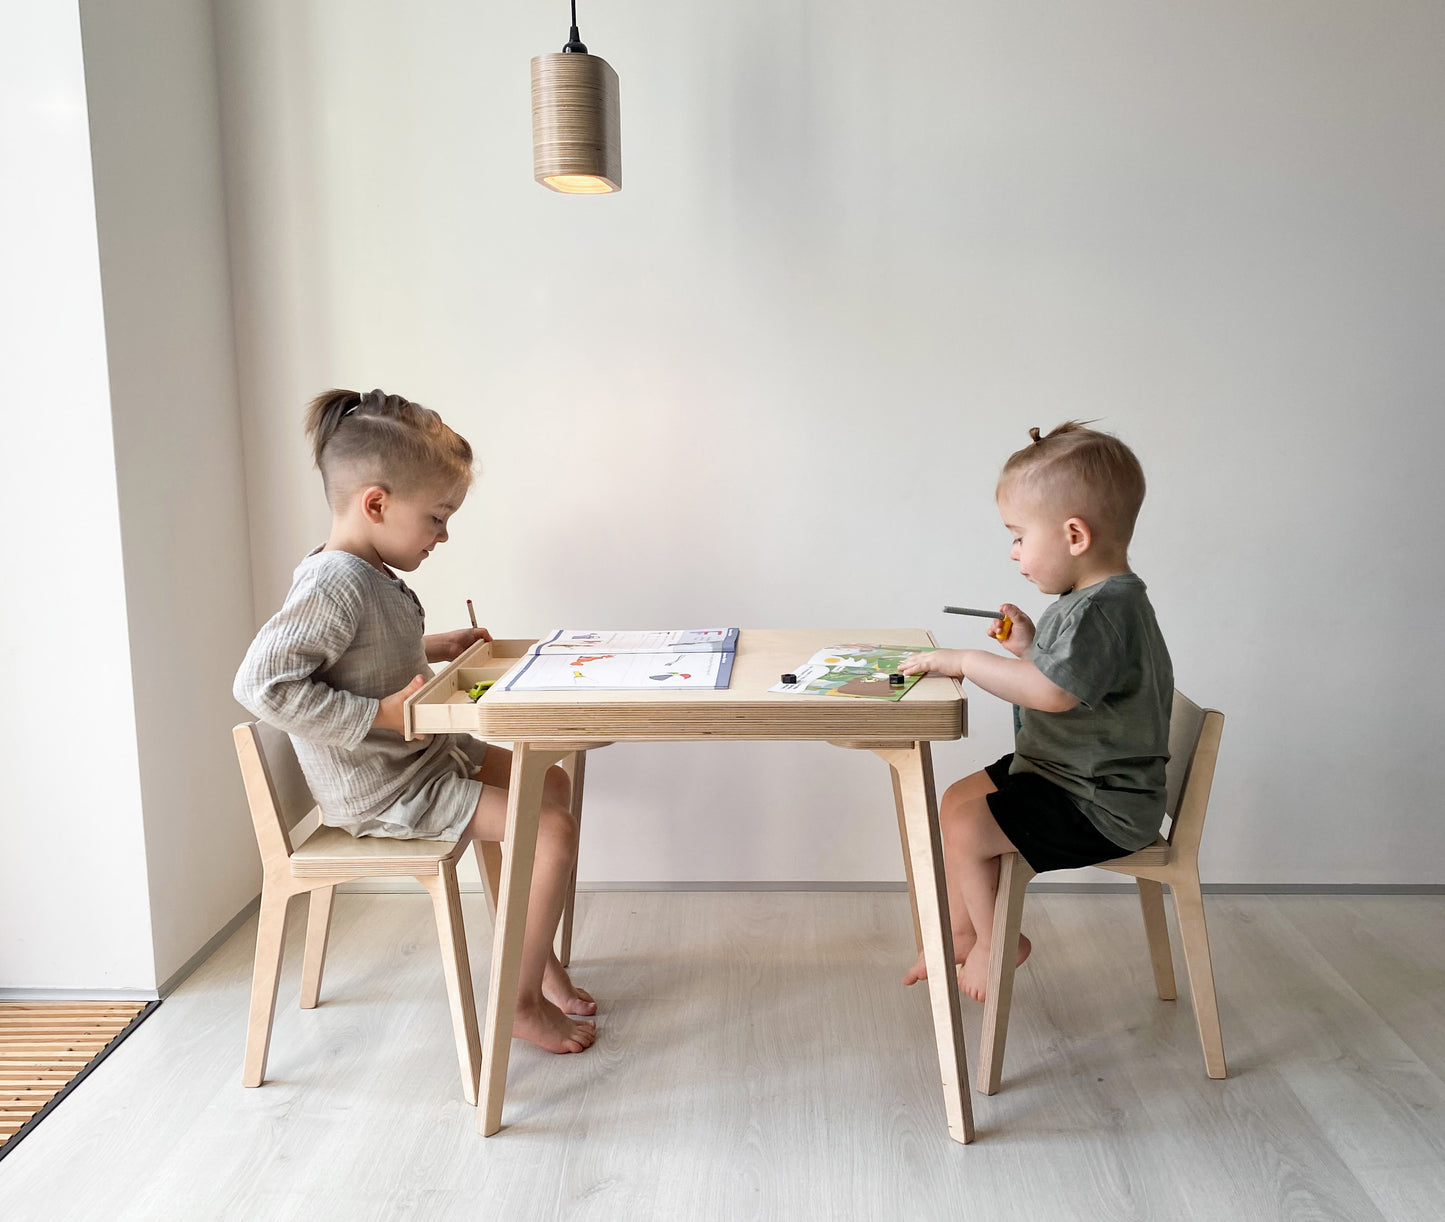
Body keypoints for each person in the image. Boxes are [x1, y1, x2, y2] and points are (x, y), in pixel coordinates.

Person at [234, 388, 596, 1053]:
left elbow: (358, 652)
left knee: (549, 783)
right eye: (436, 517)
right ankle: (517, 1002)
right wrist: (380, 713)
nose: (443, 534)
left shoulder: (365, 571)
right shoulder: (333, 581)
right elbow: (260, 685)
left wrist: (435, 647)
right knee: (551, 829)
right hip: (388, 787)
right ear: (376, 503)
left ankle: (532, 953)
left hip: (424, 760)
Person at [899, 422, 1173, 1003]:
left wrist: (967, 661)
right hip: (1061, 771)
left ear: (1074, 534)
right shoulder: (1090, 603)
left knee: (969, 827)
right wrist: (1027, 646)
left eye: (1020, 536)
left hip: (1100, 800)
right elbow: (1068, 677)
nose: (1014, 552)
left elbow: (1052, 693)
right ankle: (961, 930)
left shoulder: (1104, 610)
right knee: (954, 800)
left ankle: (1000, 942)